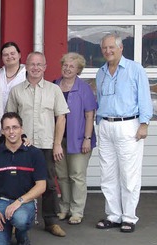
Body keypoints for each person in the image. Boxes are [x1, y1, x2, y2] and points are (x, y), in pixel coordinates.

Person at [5, 51, 69, 237]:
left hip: (47, 144)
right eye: (32, 64)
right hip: (23, 145)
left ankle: (50, 222)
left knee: (48, 183)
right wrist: (18, 139)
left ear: (45, 67)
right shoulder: (16, 90)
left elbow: (61, 118)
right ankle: (18, 219)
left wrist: (57, 144)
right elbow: (10, 119)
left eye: (39, 64)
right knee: (19, 182)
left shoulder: (54, 90)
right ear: (26, 66)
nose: (35, 68)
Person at [95, 33, 153, 233]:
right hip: (106, 125)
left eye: (111, 47)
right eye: (104, 48)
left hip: (129, 125)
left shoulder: (135, 69)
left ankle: (129, 217)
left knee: (129, 174)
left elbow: (145, 97)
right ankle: (113, 215)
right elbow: (100, 99)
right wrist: (99, 123)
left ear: (121, 48)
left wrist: (144, 123)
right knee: (108, 174)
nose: (108, 51)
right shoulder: (101, 72)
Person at [0, 112, 47, 245]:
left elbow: (41, 186)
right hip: (1, 201)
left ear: (21, 129)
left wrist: (19, 201)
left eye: (15, 127)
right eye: (7, 128)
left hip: (24, 202)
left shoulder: (34, 153)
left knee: (20, 219)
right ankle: (8, 228)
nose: (11, 132)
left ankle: (21, 234)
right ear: (2, 131)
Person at [53, 52, 97, 225]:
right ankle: (64, 208)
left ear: (79, 70)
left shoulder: (84, 88)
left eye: (72, 66)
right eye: (65, 65)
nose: (67, 68)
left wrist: (87, 138)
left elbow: (89, 115)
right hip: (58, 140)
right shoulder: (55, 85)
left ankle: (77, 211)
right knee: (62, 175)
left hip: (79, 139)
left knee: (77, 175)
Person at [0, 42, 27, 108]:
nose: (9, 57)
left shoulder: (28, 74)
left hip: (20, 116)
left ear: (19, 55)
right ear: (2, 58)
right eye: (5, 55)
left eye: (12, 53)